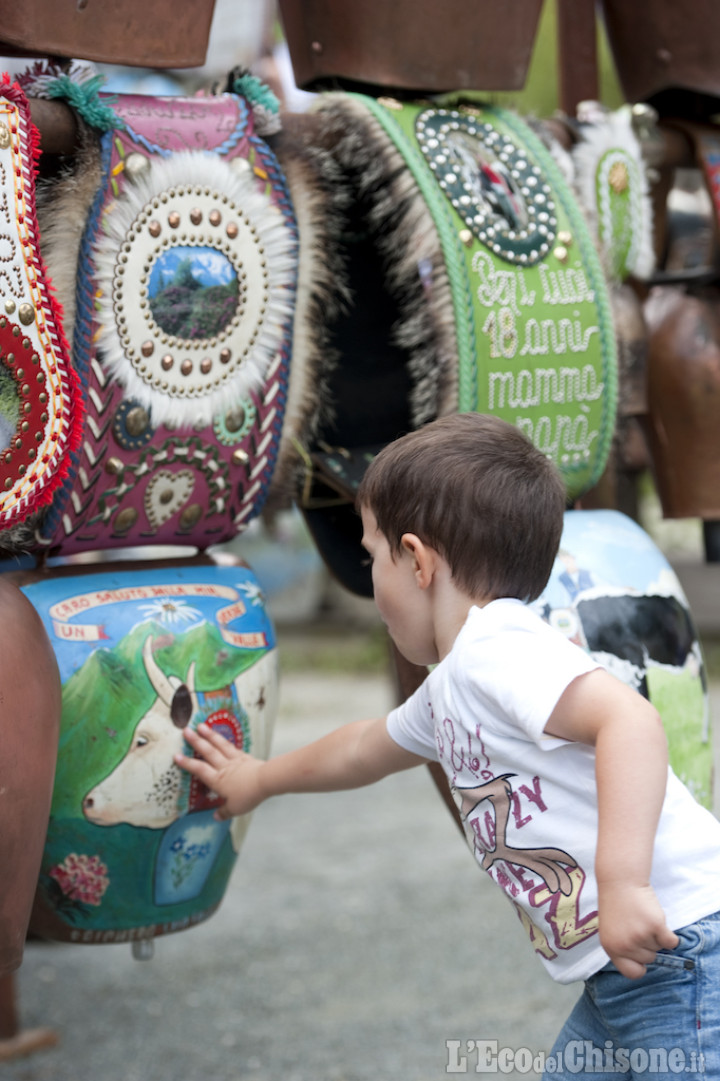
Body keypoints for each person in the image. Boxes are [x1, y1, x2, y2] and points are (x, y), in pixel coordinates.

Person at [176, 413, 720, 1078]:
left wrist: (623, 882)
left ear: (419, 560)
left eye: (373, 556)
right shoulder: (455, 685)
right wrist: (259, 777)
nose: (372, 579)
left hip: (676, 948)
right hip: (621, 973)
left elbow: (630, 722)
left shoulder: (498, 649)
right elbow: (362, 748)